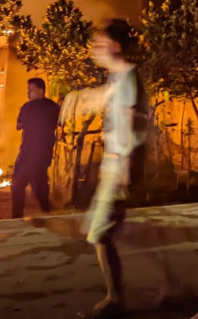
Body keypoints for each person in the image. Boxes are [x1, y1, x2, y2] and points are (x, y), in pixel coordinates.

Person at [60, 19, 148, 318]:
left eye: (99, 44)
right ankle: (116, 296)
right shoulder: (120, 79)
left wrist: (124, 167)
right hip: (114, 164)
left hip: (118, 164)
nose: (95, 50)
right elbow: (107, 96)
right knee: (102, 233)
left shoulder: (128, 78)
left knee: (99, 232)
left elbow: (131, 118)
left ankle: (115, 300)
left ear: (115, 46)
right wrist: (81, 97)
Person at [12, 77, 60, 219]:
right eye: (27, 90)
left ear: (41, 90)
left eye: (31, 90)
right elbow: (60, 123)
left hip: (28, 153)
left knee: (18, 185)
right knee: (40, 183)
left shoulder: (27, 107)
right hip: (44, 154)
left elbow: (18, 125)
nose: (28, 93)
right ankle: (47, 213)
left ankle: (16, 218)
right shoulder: (54, 107)